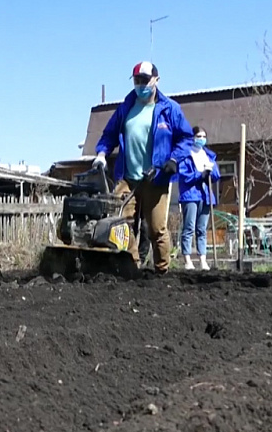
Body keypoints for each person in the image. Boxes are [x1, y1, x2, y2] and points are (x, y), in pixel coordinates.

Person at [92, 61, 194, 275]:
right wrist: (101, 154)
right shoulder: (126, 107)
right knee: (124, 225)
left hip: (156, 179)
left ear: (156, 80)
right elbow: (109, 134)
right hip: (128, 177)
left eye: (145, 80)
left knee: (156, 229)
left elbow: (185, 138)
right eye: (137, 81)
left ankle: (162, 270)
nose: (140, 85)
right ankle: (132, 267)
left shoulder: (169, 109)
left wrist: (173, 161)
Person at [177, 126, 220, 270]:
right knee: (189, 227)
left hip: (205, 195)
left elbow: (216, 176)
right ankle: (188, 260)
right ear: (193, 137)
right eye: (198, 136)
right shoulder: (186, 155)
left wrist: (210, 172)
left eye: (204, 136)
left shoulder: (208, 155)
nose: (201, 139)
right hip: (190, 195)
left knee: (202, 229)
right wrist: (199, 175)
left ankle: (203, 259)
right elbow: (184, 176)